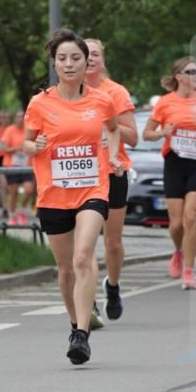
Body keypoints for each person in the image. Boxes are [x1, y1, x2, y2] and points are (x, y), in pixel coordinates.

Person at [24, 29, 124, 365]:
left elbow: (113, 128)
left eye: (76, 58)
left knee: (83, 257)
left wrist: (113, 156)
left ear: (86, 63)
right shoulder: (40, 103)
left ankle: (82, 334)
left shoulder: (101, 100)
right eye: (62, 58)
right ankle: (73, 322)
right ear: (54, 63)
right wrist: (34, 145)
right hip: (53, 194)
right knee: (66, 269)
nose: (69, 64)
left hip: (93, 189)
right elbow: (26, 142)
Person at [143, 57, 196, 289]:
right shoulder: (165, 102)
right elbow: (147, 134)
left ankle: (189, 272)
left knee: (190, 217)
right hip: (174, 163)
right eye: (191, 71)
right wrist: (162, 133)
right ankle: (178, 251)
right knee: (176, 224)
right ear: (179, 77)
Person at [84, 38, 138, 319]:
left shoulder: (115, 92)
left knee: (112, 243)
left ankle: (113, 286)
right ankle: (88, 299)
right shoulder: (69, 93)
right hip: (83, 174)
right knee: (85, 243)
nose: (89, 59)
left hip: (113, 172)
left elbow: (134, 137)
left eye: (95, 54)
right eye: (84, 54)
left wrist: (109, 125)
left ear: (102, 60)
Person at [0, 109, 35, 225]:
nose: (20, 119)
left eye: (22, 117)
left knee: (29, 190)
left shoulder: (29, 130)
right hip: (11, 165)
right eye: (18, 117)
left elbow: (33, 146)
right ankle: (12, 215)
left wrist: (27, 149)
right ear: (15, 119)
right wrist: (16, 149)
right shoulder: (9, 130)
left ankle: (21, 211)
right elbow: (3, 148)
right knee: (13, 192)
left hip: (26, 165)